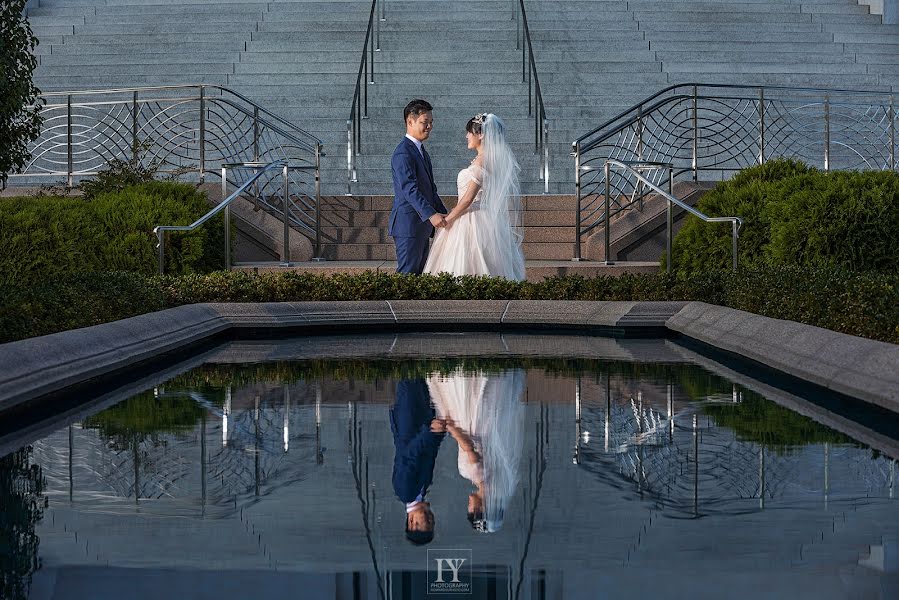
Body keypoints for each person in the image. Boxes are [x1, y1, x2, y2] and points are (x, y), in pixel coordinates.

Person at [423, 113, 526, 281]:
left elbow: (467, 200)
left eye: (469, 132)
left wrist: (448, 219)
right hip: (483, 218)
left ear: (481, 134)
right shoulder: (485, 160)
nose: (466, 136)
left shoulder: (482, 162)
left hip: (471, 218)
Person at [426, 368, 526, 533]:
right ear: (480, 509)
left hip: (484, 424)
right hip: (468, 423)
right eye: (471, 511)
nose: (469, 507)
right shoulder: (474, 474)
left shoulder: (497, 477)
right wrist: (450, 428)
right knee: (463, 385)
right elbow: (468, 447)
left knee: (482, 389)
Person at [389, 99, 448, 274]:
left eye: (431, 122)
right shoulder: (403, 152)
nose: (429, 126)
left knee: (418, 276)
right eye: (425, 122)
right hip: (409, 225)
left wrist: (444, 213)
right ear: (410, 121)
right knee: (408, 275)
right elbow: (409, 189)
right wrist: (431, 214)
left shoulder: (421, 151)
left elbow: (430, 189)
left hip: (421, 226)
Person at [390, 378, 446, 545]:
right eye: (432, 522)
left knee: (408, 378)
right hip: (421, 423)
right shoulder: (423, 488)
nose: (430, 518)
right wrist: (439, 434)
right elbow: (430, 454)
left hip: (410, 421)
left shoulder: (405, 491)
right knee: (420, 377)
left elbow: (409, 455)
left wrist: (429, 432)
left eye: (426, 523)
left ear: (412, 523)